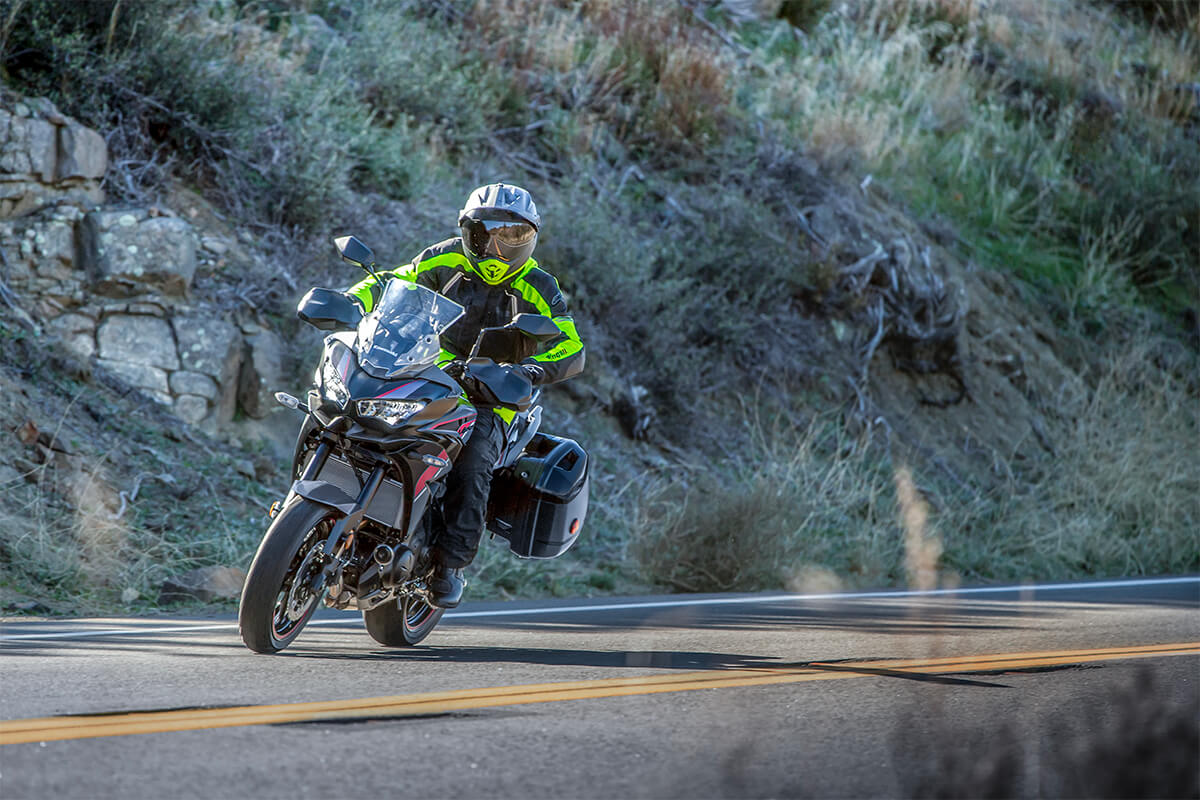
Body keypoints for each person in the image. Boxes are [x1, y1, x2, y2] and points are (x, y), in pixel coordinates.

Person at [344, 183, 585, 608]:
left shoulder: (539, 286)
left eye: (512, 237)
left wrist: (528, 369)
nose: (497, 248)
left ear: (530, 239)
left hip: (493, 393)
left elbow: (571, 345)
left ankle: (448, 564)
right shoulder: (443, 257)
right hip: (426, 370)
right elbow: (391, 284)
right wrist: (352, 301)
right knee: (352, 413)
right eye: (486, 234)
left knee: (473, 463)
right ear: (467, 231)